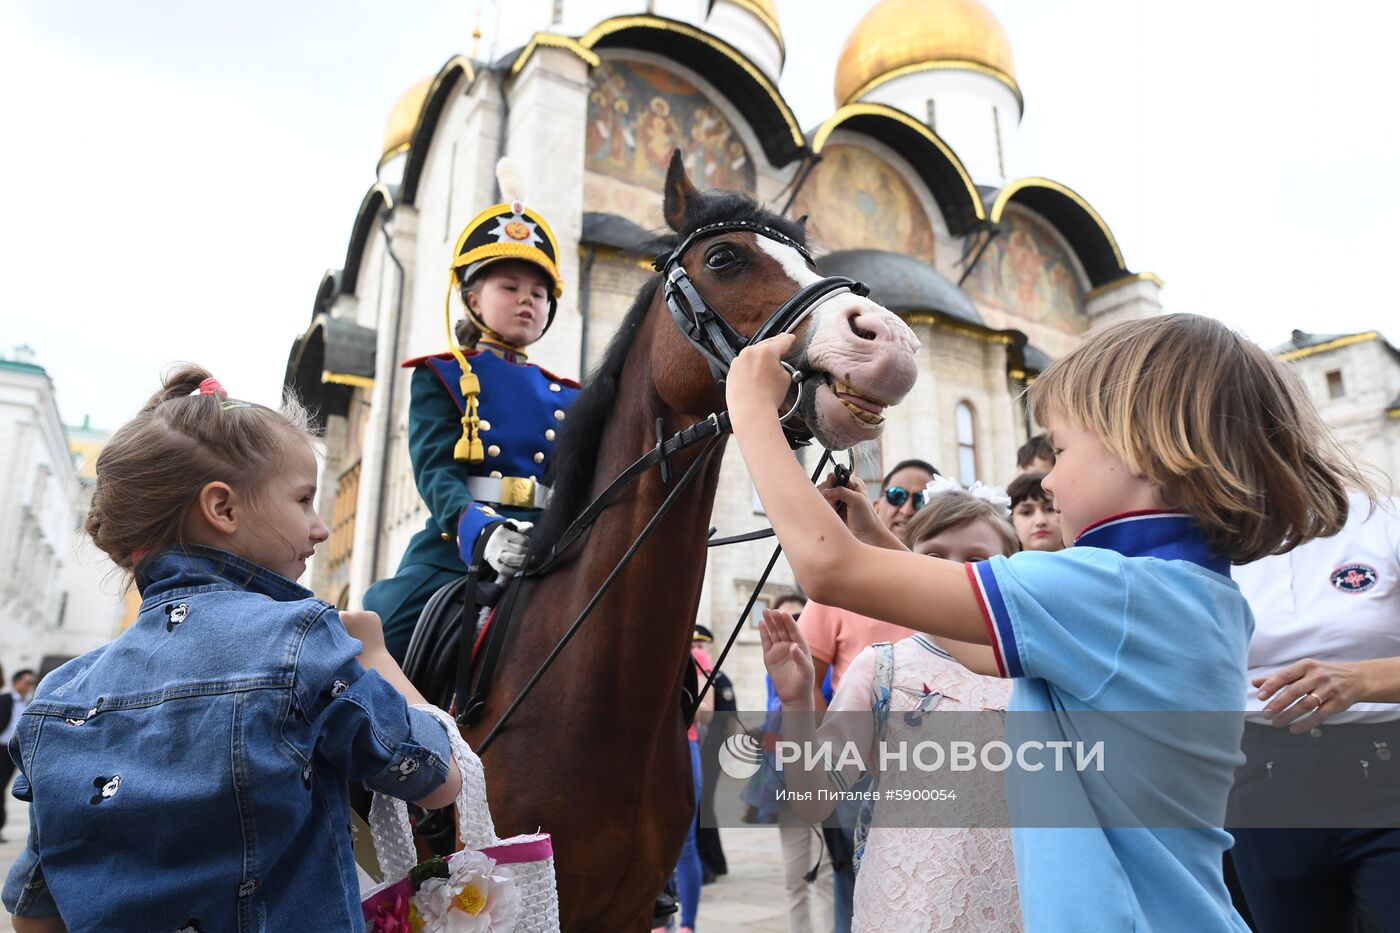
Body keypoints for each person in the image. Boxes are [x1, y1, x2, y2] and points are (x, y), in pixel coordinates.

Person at [727, 313, 1367, 931]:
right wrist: (880, 541)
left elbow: (826, 569)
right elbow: (972, 650)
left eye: (1060, 450)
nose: (1050, 479)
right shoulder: (1182, 592)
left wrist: (752, 410)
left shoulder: (1108, 591)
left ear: (1144, 448)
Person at [2, 367, 462, 931]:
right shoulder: (302, 641)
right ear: (222, 509)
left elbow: (34, 914)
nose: (319, 529)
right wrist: (375, 657)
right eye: (303, 500)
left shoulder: (58, 695)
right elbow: (437, 781)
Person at [764, 482, 1023, 931]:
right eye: (935, 558)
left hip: (1018, 905)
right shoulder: (884, 667)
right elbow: (813, 799)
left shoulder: (1030, 670)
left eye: (976, 559)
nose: (953, 574)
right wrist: (797, 702)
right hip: (906, 909)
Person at [362, 160, 581, 661]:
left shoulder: (571, 394)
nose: (527, 300)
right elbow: (436, 473)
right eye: (510, 287)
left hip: (550, 543)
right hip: (457, 548)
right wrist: (482, 533)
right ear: (472, 299)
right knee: (381, 633)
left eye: (539, 293)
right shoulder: (441, 373)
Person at [1227, 492, 1400, 931]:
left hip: (1384, 768)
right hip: (1261, 781)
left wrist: (1361, 680)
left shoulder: (1383, 520)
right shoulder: (1209, 539)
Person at [798, 457, 934, 933]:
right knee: (857, 887)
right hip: (863, 770)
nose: (909, 507)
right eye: (897, 495)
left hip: (944, 760)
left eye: (924, 498)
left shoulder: (948, 586)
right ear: (877, 504)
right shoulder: (842, 587)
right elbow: (805, 678)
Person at [694, 625, 736, 884]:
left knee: (703, 805)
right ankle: (714, 860)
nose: (697, 650)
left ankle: (710, 863)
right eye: (693, 646)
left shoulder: (719, 679)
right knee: (700, 807)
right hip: (696, 749)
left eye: (701, 646)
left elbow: (731, 717)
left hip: (712, 750)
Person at [0, 667, 36, 844]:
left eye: (32, 683)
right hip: (1, 749)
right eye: (27, 682)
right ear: (16, 682)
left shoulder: (32, 704)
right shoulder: (4, 700)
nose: (30, 686)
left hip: (21, 751)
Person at [1007, 471, 1063, 553]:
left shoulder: (1086, 563)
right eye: (1026, 512)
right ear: (1011, 520)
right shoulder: (999, 565)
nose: (1040, 521)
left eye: (1050, 509)